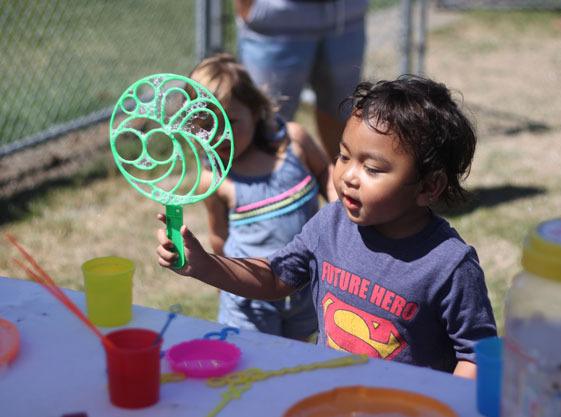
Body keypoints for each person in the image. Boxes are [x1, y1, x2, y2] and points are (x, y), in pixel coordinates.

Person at [157, 75, 497, 378]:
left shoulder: (449, 265)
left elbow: (476, 356)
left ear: (428, 187)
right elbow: (275, 277)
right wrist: (204, 264)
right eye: (344, 156)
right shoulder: (331, 224)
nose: (348, 176)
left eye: (373, 168)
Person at [188, 53, 336, 340]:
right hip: (251, 297)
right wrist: (225, 281)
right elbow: (219, 235)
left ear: (255, 111)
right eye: (207, 125)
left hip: (305, 282)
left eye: (230, 121)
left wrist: (341, 211)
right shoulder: (216, 180)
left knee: (299, 359)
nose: (220, 135)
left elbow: (325, 174)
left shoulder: (294, 142)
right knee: (254, 360)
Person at [233, 0, 368, 158]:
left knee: (342, 115)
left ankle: (333, 179)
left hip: (347, 15)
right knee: (265, 126)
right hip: (276, 18)